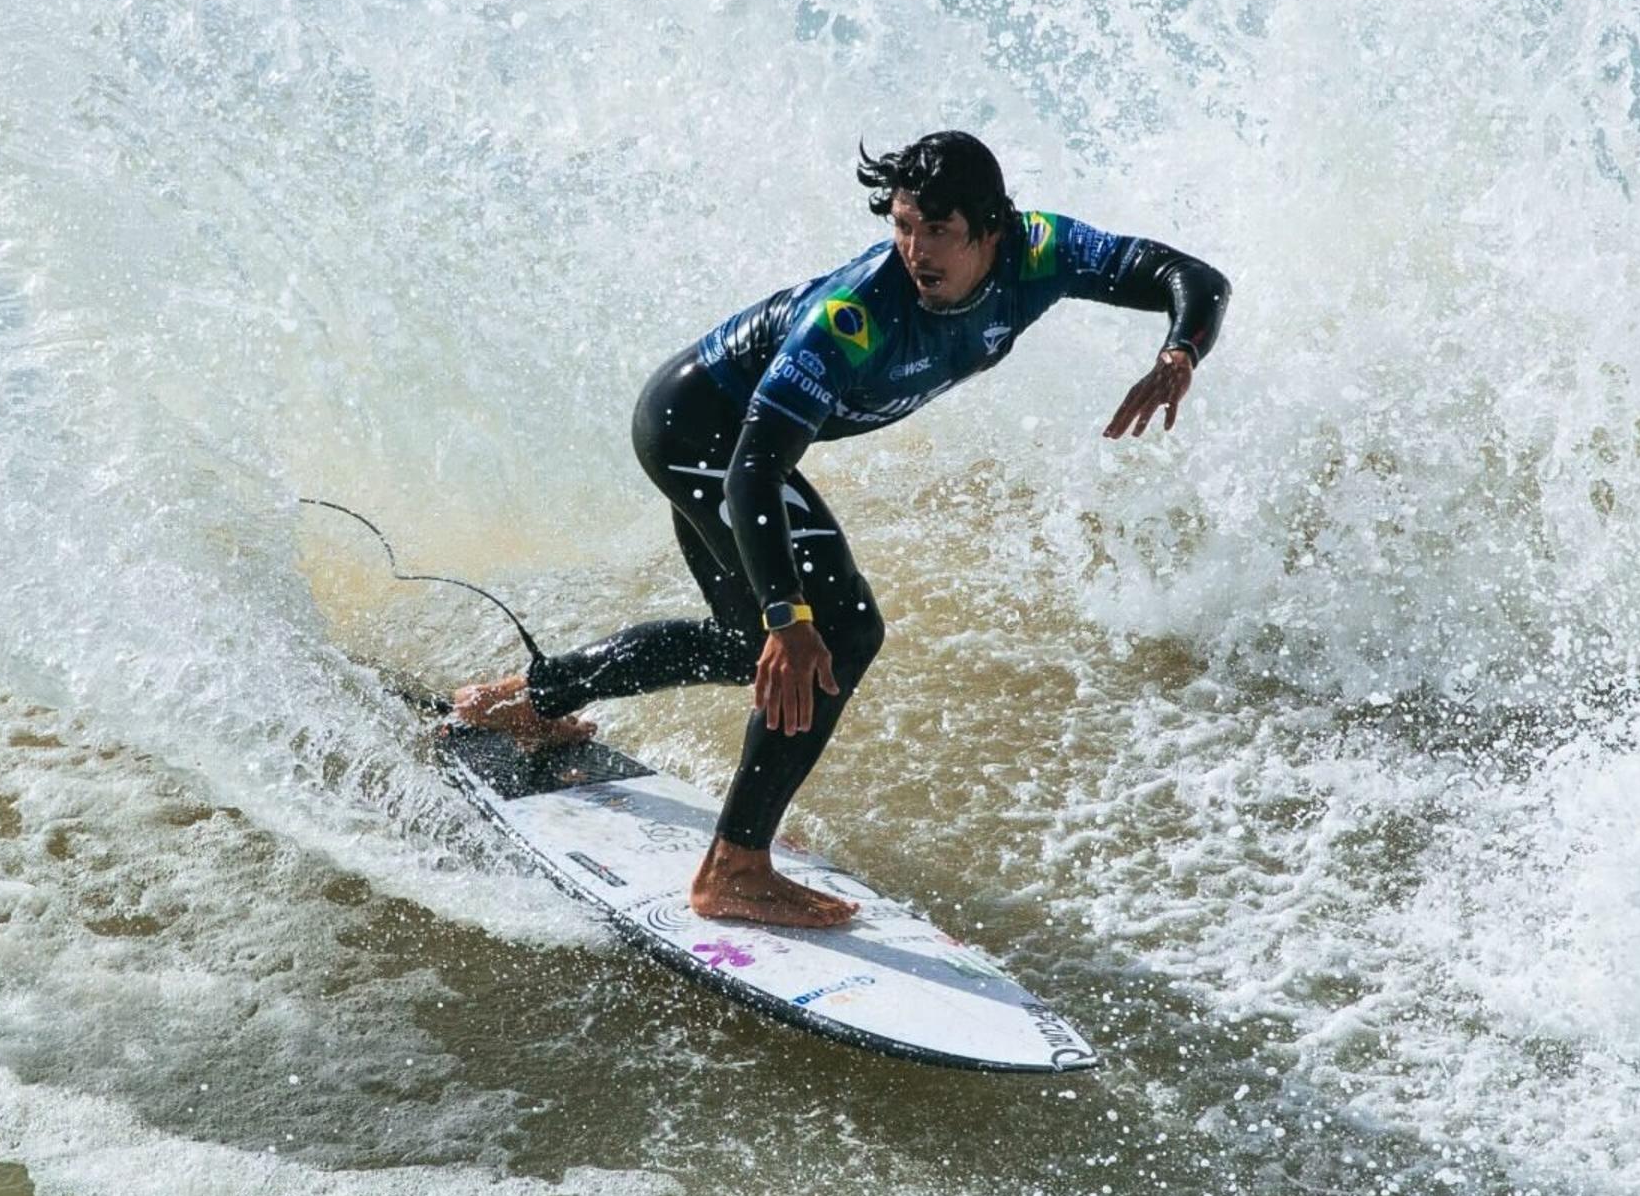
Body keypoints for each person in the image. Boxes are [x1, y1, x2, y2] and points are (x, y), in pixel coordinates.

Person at [450, 129, 1230, 927]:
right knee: (839, 631)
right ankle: (735, 866)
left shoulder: (1041, 252)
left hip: (733, 448)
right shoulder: (855, 315)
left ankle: (525, 701)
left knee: (740, 643)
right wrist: (791, 618)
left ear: (992, 230)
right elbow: (754, 466)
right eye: (902, 224)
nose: (914, 251)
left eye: (938, 232)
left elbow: (1190, 276)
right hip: (703, 435)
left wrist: (1179, 351)